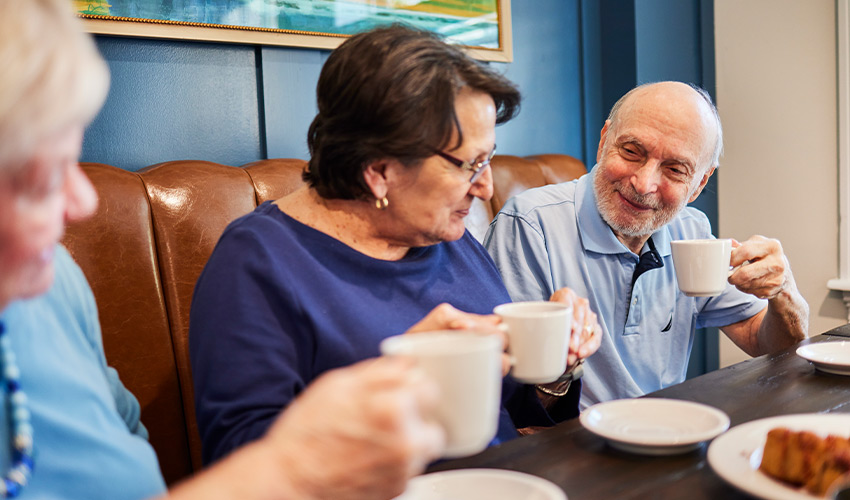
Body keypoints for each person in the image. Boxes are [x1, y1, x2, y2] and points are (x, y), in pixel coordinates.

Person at [0, 1, 446, 499]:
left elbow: (130, 439)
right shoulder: (260, 253)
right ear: (379, 169)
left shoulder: (53, 280)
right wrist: (296, 467)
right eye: (37, 177)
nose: (84, 201)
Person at [189, 25, 603, 465]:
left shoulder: (447, 237)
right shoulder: (257, 262)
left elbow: (513, 411)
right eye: (470, 164)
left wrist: (553, 369)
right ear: (379, 170)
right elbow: (240, 464)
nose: (485, 187)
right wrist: (393, 375)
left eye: (490, 159)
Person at [484, 81, 809, 409]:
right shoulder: (529, 224)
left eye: (675, 169)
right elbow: (505, 392)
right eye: (631, 151)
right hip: (568, 439)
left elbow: (764, 342)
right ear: (603, 142)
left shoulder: (691, 230)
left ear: (699, 184)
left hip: (665, 433)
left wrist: (783, 293)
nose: (644, 183)